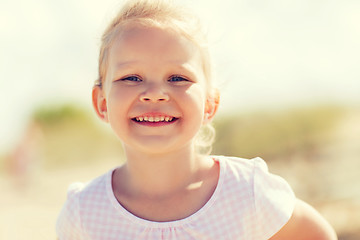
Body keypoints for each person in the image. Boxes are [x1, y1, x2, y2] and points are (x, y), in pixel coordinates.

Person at [56, 0, 337, 239]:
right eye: (131, 78)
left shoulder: (246, 191)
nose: (154, 94)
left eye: (178, 78)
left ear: (209, 104)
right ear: (102, 102)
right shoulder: (84, 212)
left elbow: (316, 234)